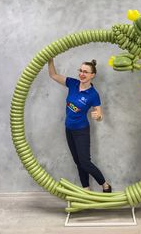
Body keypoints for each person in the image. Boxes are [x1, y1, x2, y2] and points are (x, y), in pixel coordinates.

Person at [48, 58, 112, 192]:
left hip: (81, 131)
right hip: (68, 129)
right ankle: (86, 190)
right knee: (78, 162)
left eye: (86, 72)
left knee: (85, 163)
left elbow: (99, 114)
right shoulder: (72, 83)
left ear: (92, 75)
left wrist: (98, 117)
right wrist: (50, 61)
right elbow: (53, 75)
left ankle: (105, 185)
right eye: (81, 71)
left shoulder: (93, 94)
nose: (82, 74)